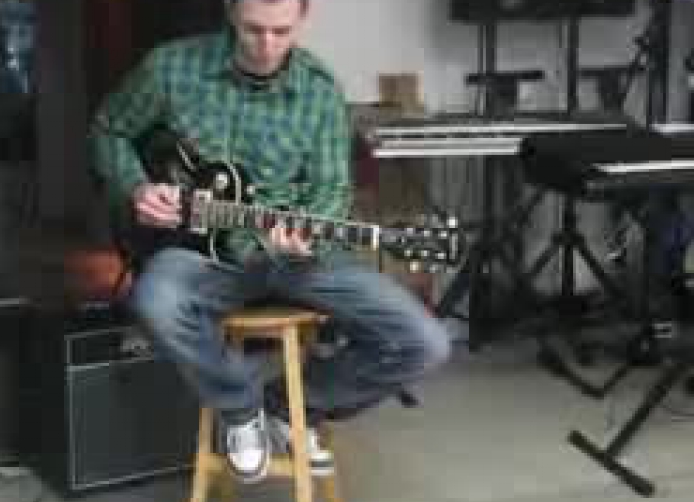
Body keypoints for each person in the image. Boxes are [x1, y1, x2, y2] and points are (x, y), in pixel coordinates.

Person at [90, 0, 450, 484]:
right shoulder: (169, 69)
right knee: (153, 301)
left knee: (424, 342)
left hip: (295, 259)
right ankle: (239, 409)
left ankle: (290, 407)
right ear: (229, 11)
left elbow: (331, 190)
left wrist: (306, 233)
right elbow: (109, 129)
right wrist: (136, 187)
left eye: (281, 31)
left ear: (303, 16)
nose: (266, 46)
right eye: (252, 29)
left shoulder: (319, 91)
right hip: (201, 257)